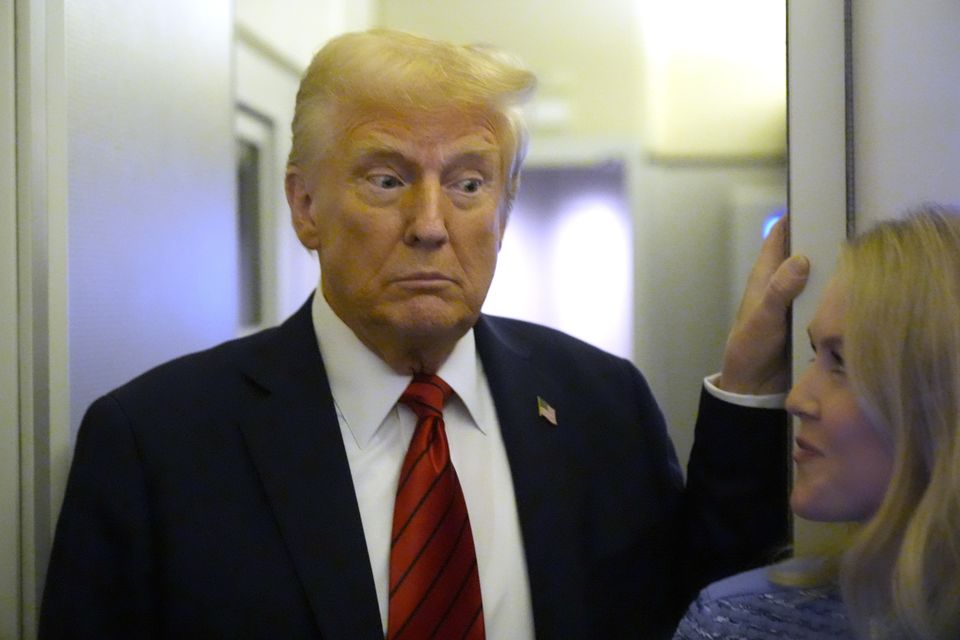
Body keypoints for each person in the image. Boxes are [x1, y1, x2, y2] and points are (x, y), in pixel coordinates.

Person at [39, 30, 807, 639]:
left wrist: (748, 387)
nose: (431, 226)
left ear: (503, 211)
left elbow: (711, 614)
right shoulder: (154, 445)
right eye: (387, 178)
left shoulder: (601, 405)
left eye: (469, 184)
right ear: (305, 205)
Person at [673, 204, 960, 640]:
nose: (797, 399)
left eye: (841, 362)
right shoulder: (746, 619)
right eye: (813, 354)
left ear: (942, 391)